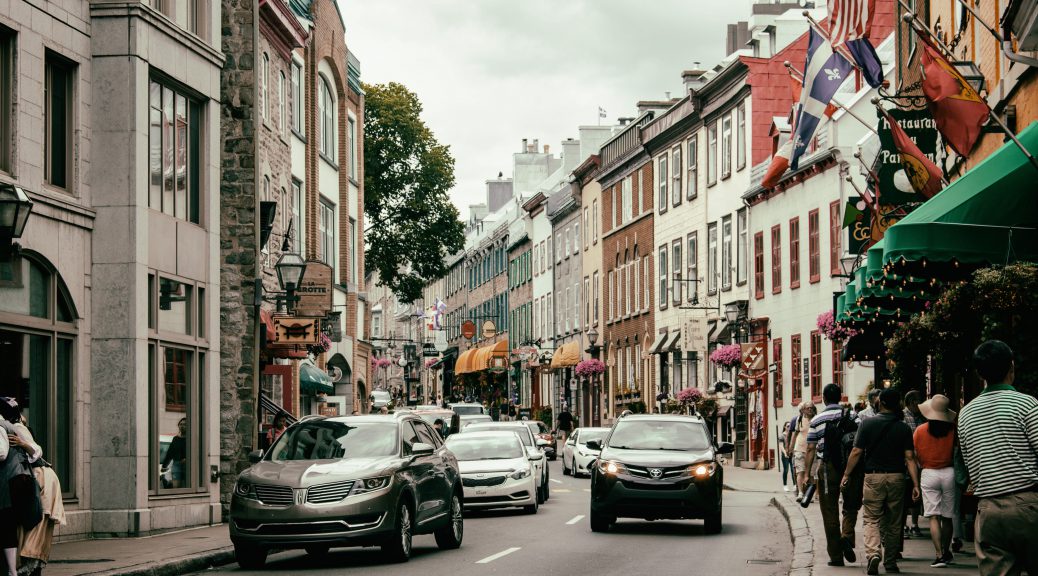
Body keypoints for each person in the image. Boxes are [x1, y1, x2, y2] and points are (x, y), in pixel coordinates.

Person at [958, 340, 1038, 576]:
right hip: (1028, 504)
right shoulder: (1027, 404)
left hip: (988, 509)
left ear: (979, 373)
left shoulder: (966, 413)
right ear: (1011, 368)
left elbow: (970, 464)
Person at [841, 388, 920, 575]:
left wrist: (847, 474)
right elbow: (910, 457)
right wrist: (916, 484)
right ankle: (891, 562)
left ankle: (873, 554)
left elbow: (856, 452)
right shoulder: (903, 427)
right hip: (897, 477)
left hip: (873, 477)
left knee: (871, 518)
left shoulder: (867, 424)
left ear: (881, 402)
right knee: (894, 522)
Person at [804, 384, 860, 567]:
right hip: (850, 466)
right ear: (840, 397)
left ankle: (836, 556)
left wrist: (807, 475)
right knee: (851, 503)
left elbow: (811, 448)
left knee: (829, 510)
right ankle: (847, 535)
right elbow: (860, 440)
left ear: (824, 399)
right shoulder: (852, 415)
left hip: (827, 467)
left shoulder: (817, 419)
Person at [13, 413, 65, 576]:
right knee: (33, 523)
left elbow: (36, 451)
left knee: (37, 523)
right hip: (35, 479)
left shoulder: (17, 427)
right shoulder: (17, 425)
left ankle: (30, 565)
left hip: (39, 479)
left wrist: (23, 443)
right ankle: (31, 564)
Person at [913, 394, 957, 568]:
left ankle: (938, 555)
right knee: (947, 517)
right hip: (949, 472)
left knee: (933, 516)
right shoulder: (953, 430)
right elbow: (957, 453)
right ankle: (946, 552)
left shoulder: (920, 431)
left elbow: (914, 455)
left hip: (929, 473)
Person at [902, 390, 925, 538]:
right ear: (911, 402)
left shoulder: (923, 416)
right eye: (918, 401)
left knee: (917, 495)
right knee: (905, 494)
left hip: (921, 460)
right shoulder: (902, 416)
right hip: (906, 460)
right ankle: (904, 525)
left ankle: (915, 524)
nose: (920, 404)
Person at [789, 402, 817, 501]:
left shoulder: (816, 419)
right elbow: (794, 434)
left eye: (811, 408)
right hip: (799, 448)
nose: (809, 409)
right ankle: (800, 493)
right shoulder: (799, 419)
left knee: (812, 474)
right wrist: (791, 448)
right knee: (800, 471)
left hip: (813, 450)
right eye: (807, 408)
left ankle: (809, 495)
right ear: (804, 410)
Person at [161, 418, 187, 489]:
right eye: (181, 424)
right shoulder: (175, 439)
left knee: (187, 487)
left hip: (188, 466)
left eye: (184, 424)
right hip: (177, 465)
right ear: (178, 426)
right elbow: (170, 453)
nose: (182, 426)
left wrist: (187, 459)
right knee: (176, 487)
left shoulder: (191, 439)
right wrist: (164, 465)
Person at [780, 420, 794, 492]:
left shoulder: (792, 434)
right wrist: (785, 453)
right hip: (785, 455)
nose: (789, 427)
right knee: (786, 470)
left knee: (793, 470)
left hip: (792, 454)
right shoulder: (782, 435)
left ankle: (795, 485)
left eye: (790, 426)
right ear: (785, 427)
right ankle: (785, 485)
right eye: (788, 426)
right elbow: (781, 446)